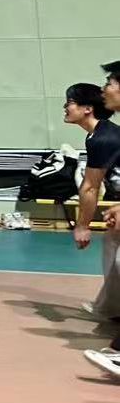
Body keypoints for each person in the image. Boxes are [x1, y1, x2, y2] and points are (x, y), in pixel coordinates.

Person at [78, 65, 120, 378]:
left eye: (110, 82)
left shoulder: (105, 137)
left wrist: (82, 225)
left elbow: (90, 187)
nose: (104, 89)